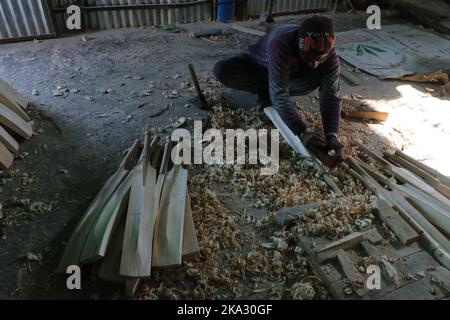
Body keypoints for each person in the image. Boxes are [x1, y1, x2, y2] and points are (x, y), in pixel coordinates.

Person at [213, 15, 343, 161]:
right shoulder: (282, 43)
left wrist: (331, 135)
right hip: (261, 67)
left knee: (313, 76)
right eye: (309, 58)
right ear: (299, 47)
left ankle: (271, 90)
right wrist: (301, 130)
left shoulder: (331, 58)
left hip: (293, 74)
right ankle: (264, 92)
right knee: (223, 70)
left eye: (319, 59)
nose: (314, 64)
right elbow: (280, 94)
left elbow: (330, 96)